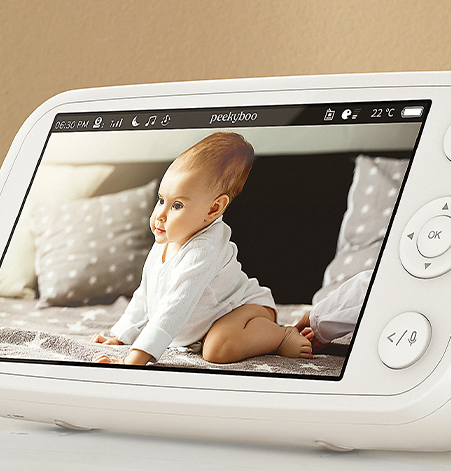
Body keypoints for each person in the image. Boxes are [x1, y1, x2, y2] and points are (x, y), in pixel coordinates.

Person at [93, 132, 312, 365]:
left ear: (213, 209)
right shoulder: (167, 239)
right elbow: (145, 294)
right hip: (206, 324)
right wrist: (122, 336)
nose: (160, 215)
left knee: (217, 350)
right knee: (210, 341)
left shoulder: (203, 251)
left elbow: (175, 306)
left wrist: (134, 360)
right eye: (161, 200)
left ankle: (281, 335)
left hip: (243, 310)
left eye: (177, 205)